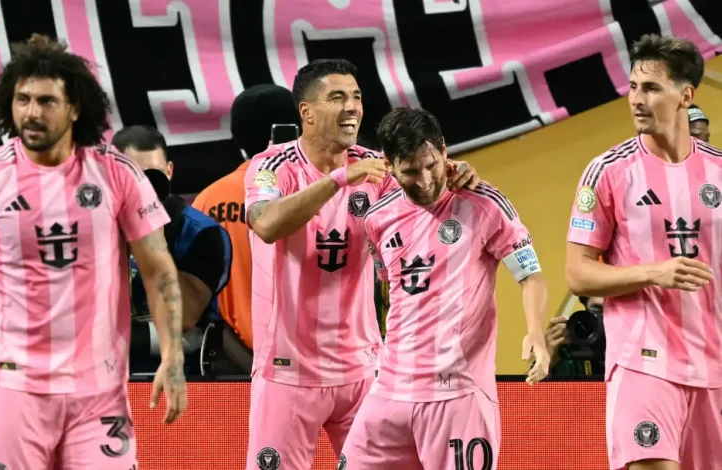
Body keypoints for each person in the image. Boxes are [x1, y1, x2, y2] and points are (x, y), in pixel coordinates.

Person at [0, 35, 187, 470]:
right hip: (13, 388)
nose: (31, 113)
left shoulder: (118, 174)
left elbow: (158, 269)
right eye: (22, 100)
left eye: (46, 101)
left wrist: (173, 354)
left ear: (74, 107)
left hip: (99, 391)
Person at [244, 59, 480, 469]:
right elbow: (265, 224)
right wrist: (339, 179)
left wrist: (455, 179)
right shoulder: (271, 166)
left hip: (364, 369)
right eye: (337, 97)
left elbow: (429, 214)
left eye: (356, 96)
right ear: (307, 112)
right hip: (288, 370)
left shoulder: (377, 168)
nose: (352, 106)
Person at [339, 107, 550, 470]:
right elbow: (391, 292)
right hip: (389, 391)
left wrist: (536, 334)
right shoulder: (377, 218)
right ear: (389, 165)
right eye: (410, 171)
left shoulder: (484, 203)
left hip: (457, 393)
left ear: (444, 151)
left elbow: (531, 275)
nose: (424, 181)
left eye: (431, 165)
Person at [565, 34, 722, 470]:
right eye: (633, 86)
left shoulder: (718, 170)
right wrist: (654, 272)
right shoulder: (608, 171)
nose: (636, 99)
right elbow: (578, 274)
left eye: (651, 88)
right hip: (642, 362)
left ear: (685, 96)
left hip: (713, 367)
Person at [111, 125, 233, 377]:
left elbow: (184, 317)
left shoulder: (202, 233)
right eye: (133, 176)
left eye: (153, 176)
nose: (144, 188)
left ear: (169, 171)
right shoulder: (88, 225)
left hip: (180, 379)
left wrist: (153, 239)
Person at [192, 84, 300, 363]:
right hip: (307, 360)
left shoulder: (206, 200)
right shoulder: (312, 192)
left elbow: (195, 296)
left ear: (236, 134)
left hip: (231, 362)